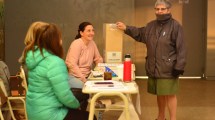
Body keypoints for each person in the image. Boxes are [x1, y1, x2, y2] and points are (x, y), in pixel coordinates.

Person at [116, 0, 186, 120]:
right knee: (160, 93)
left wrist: (179, 66)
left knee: (169, 94)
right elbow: (140, 33)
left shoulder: (176, 26)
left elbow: (182, 47)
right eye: (157, 9)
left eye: (162, 9)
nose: (159, 11)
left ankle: (173, 118)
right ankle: (161, 116)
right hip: (154, 66)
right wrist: (126, 28)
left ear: (168, 10)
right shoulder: (151, 25)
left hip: (168, 67)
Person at [23, 21, 95, 120]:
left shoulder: (35, 58)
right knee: (91, 116)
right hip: (50, 114)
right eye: (59, 38)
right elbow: (64, 95)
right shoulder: (55, 62)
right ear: (53, 41)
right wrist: (76, 105)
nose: (61, 40)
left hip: (34, 111)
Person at [65, 22, 103, 110]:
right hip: (74, 76)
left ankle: (89, 111)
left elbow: (98, 58)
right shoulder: (76, 44)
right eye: (88, 31)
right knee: (88, 90)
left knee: (100, 86)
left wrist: (99, 65)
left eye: (93, 30)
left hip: (88, 76)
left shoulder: (92, 43)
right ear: (81, 33)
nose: (92, 33)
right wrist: (84, 79)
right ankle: (85, 111)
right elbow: (71, 64)